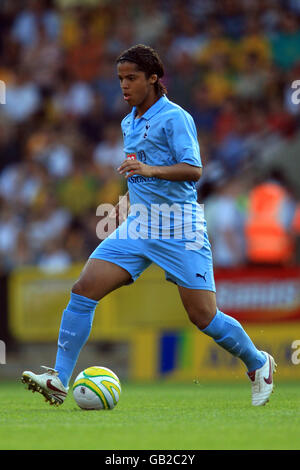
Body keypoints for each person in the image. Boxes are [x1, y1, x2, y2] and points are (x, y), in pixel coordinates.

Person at [22, 45, 276, 407]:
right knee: (83, 290)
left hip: (180, 229)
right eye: (120, 79)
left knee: (203, 316)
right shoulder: (129, 121)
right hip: (140, 226)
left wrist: (149, 171)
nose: (124, 86)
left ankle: (258, 363)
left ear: (153, 78)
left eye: (131, 79)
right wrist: (129, 198)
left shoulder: (175, 118)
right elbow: (138, 172)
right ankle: (60, 378)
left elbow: (194, 170)